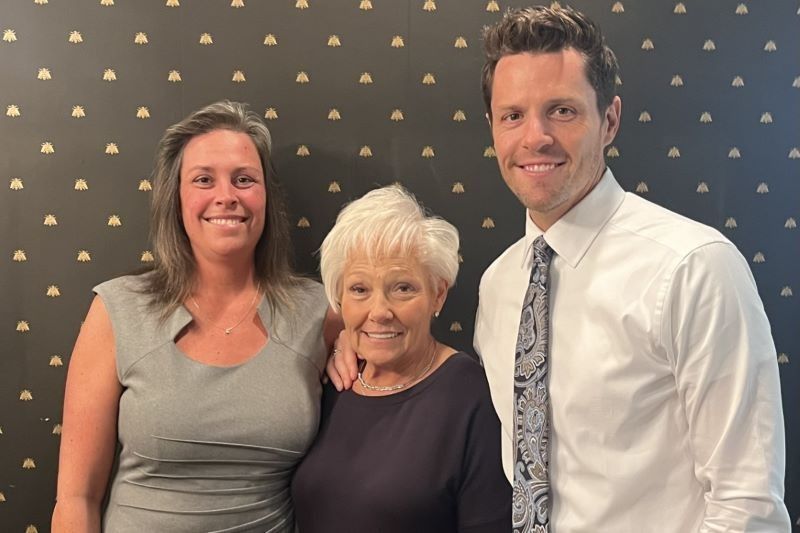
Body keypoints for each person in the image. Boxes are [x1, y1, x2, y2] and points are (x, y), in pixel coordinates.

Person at [330, 6, 790, 531]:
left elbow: (747, 505)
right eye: (513, 116)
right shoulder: (500, 285)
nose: (535, 138)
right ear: (493, 129)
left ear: (609, 120)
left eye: (563, 111)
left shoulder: (694, 268)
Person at [52, 101, 337, 532]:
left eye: (244, 179)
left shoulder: (317, 311)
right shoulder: (117, 310)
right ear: (177, 197)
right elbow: (76, 499)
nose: (226, 195)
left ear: (265, 197)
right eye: (204, 179)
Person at [292, 185, 510, 532]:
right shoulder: (327, 378)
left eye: (403, 288)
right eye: (359, 290)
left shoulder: (470, 398)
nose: (379, 312)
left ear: (438, 294)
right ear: (338, 298)